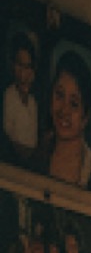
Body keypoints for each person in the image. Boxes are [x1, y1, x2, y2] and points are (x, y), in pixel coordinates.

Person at [33, 48, 91, 189]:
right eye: (59, 95)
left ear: (85, 117)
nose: (64, 110)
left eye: (74, 104)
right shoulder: (38, 151)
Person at [2, 32, 40, 160]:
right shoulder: (8, 96)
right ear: (13, 66)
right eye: (19, 65)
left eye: (28, 66)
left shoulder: (33, 102)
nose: (23, 73)